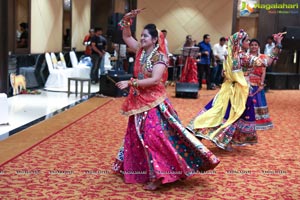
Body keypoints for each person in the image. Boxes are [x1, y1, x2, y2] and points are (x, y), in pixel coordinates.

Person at [112, 9, 220, 191]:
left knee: (154, 137)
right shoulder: (140, 51)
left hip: (155, 104)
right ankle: (144, 170)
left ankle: (159, 175)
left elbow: (154, 80)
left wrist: (131, 83)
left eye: (145, 36)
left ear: (155, 39)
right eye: (141, 36)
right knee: (137, 136)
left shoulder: (160, 57)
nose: (142, 38)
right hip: (139, 103)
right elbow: (126, 36)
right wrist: (127, 20)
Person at [187, 30, 283, 151]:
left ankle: (204, 134)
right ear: (240, 43)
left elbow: (223, 73)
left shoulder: (230, 55)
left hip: (227, 89)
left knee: (221, 112)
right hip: (241, 91)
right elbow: (267, 62)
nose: (249, 42)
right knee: (234, 115)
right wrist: (278, 44)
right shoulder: (245, 57)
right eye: (247, 41)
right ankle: (220, 139)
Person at [249, 39, 274, 130]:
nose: (253, 46)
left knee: (259, 101)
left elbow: (263, 71)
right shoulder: (246, 57)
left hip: (258, 82)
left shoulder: (263, 57)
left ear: (259, 46)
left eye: (256, 45)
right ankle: (247, 121)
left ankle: (260, 121)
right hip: (247, 82)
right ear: (249, 46)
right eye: (252, 45)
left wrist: (261, 84)